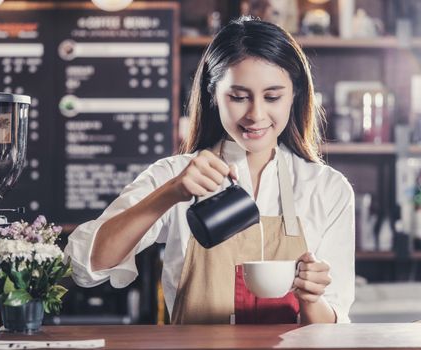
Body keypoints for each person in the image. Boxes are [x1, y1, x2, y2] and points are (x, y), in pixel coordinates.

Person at [65, 16, 355, 325]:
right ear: (213, 95)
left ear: (295, 95)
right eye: (238, 97)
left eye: (272, 97)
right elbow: (84, 266)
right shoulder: (174, 175)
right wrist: (170, 194)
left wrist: (311, 297)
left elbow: (330, 327)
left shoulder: (327, 188)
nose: (256, 114)